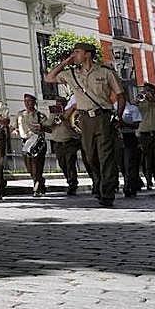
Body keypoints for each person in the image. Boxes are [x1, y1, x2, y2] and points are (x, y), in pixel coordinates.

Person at [45, 41, 124, 207]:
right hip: (84, 119)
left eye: (77, 52)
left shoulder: (105, 72)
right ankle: (102, 182)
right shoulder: (72, 74)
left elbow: (120, 95)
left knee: (105, 156)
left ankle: (107, 192)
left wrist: (118, 115)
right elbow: (49, 78)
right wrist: (66, 62)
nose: (75, 55)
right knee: (89, 156)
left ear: (88, 54)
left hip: (103, 116)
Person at [16, 92, 52, 197]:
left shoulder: (40, 115)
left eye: (29, 101)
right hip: (26, 143)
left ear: (34, 102)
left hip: (38, 143)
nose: (27, 103)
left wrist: (42, 127)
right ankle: (40, 181)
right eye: (25, 101)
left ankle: (36, 189)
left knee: (37, 166)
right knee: (30, 168)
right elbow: (15, 127)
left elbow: (49, 129)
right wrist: (14, 131)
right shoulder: (20, 114)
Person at [49, 95, 81, 195]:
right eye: (57, 103)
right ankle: (69, 180)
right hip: (58, 143)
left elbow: (75, 125)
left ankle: (72, 184)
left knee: (70, 163)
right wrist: (54, 116)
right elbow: (49, 124)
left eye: (61, 103)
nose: (59, 104)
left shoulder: (70, 112)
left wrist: (65, 116)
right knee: (63, 164)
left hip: (70, 141)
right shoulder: (53, 113)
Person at [119, 96, 142, 197]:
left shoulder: (132, 108)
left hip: (129, 136)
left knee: (130, 164)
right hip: (116, 138)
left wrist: (123, 123)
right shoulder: (110, 108)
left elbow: (136, 125)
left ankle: (130, 186)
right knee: (121, 164)